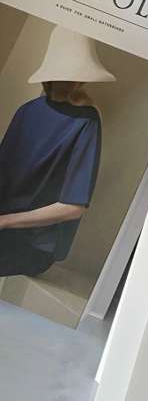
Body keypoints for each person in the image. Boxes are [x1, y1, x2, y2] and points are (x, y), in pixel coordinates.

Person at [0, 26, 115, 277]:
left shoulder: (86, 121)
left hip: (34, 244)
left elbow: (73, 207)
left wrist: (5, 221)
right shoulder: (27, 111)